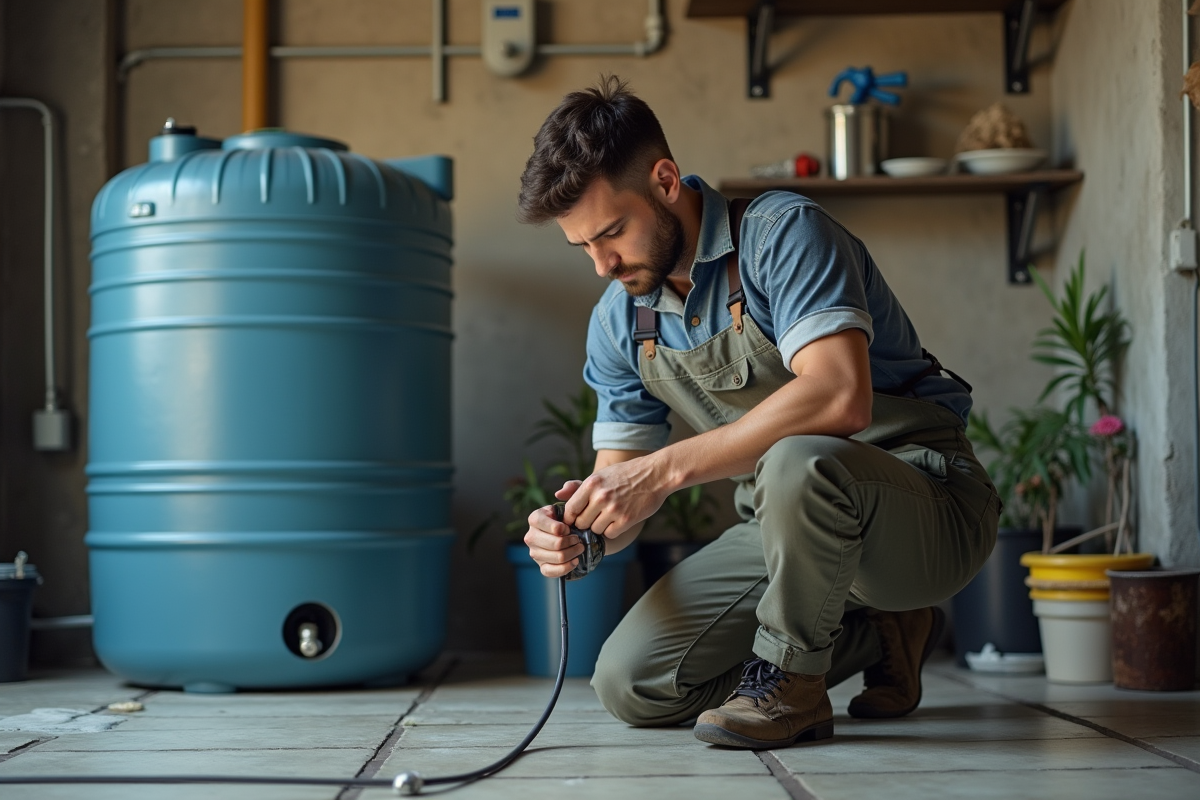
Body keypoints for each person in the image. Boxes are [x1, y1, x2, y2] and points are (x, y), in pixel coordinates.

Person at [515, 76, 999, 750]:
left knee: (798, 458)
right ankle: (877, 632)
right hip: (783, 528)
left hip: (925, 503)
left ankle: (793, 686)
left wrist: (660, 473)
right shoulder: (619, 322)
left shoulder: (782, 235)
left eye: (612, 233)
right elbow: (624, 485)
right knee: (632, 683)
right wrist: (586, 530)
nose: (601, 265)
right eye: (584, 247)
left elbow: (837, 396)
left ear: (664, 180)